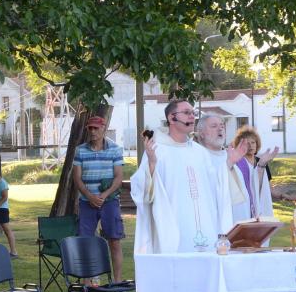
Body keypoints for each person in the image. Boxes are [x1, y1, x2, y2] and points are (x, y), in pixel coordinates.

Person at [131, 99, 234, 254]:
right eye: (186, 113)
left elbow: (216, 188)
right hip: (174, 226)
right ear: (172, 118)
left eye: (193, 113)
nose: (192, 117)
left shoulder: (200, 152)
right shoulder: (157, 150)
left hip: (205, 224)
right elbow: (142, 191)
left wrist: (229, 163)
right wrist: (151, 165)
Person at [72, 115, 125, 281]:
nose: (93, 131)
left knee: (114, 240)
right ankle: (87, 282)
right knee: (85, 241)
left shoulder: (115, 149)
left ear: (104, 128)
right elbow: (77, 179)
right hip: (87, 202)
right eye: (90, 128)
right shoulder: (80, 150)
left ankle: (117, 281)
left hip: (109, 202)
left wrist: (103, 195)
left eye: (96, 128)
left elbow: (118, 177)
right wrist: (89, 196)